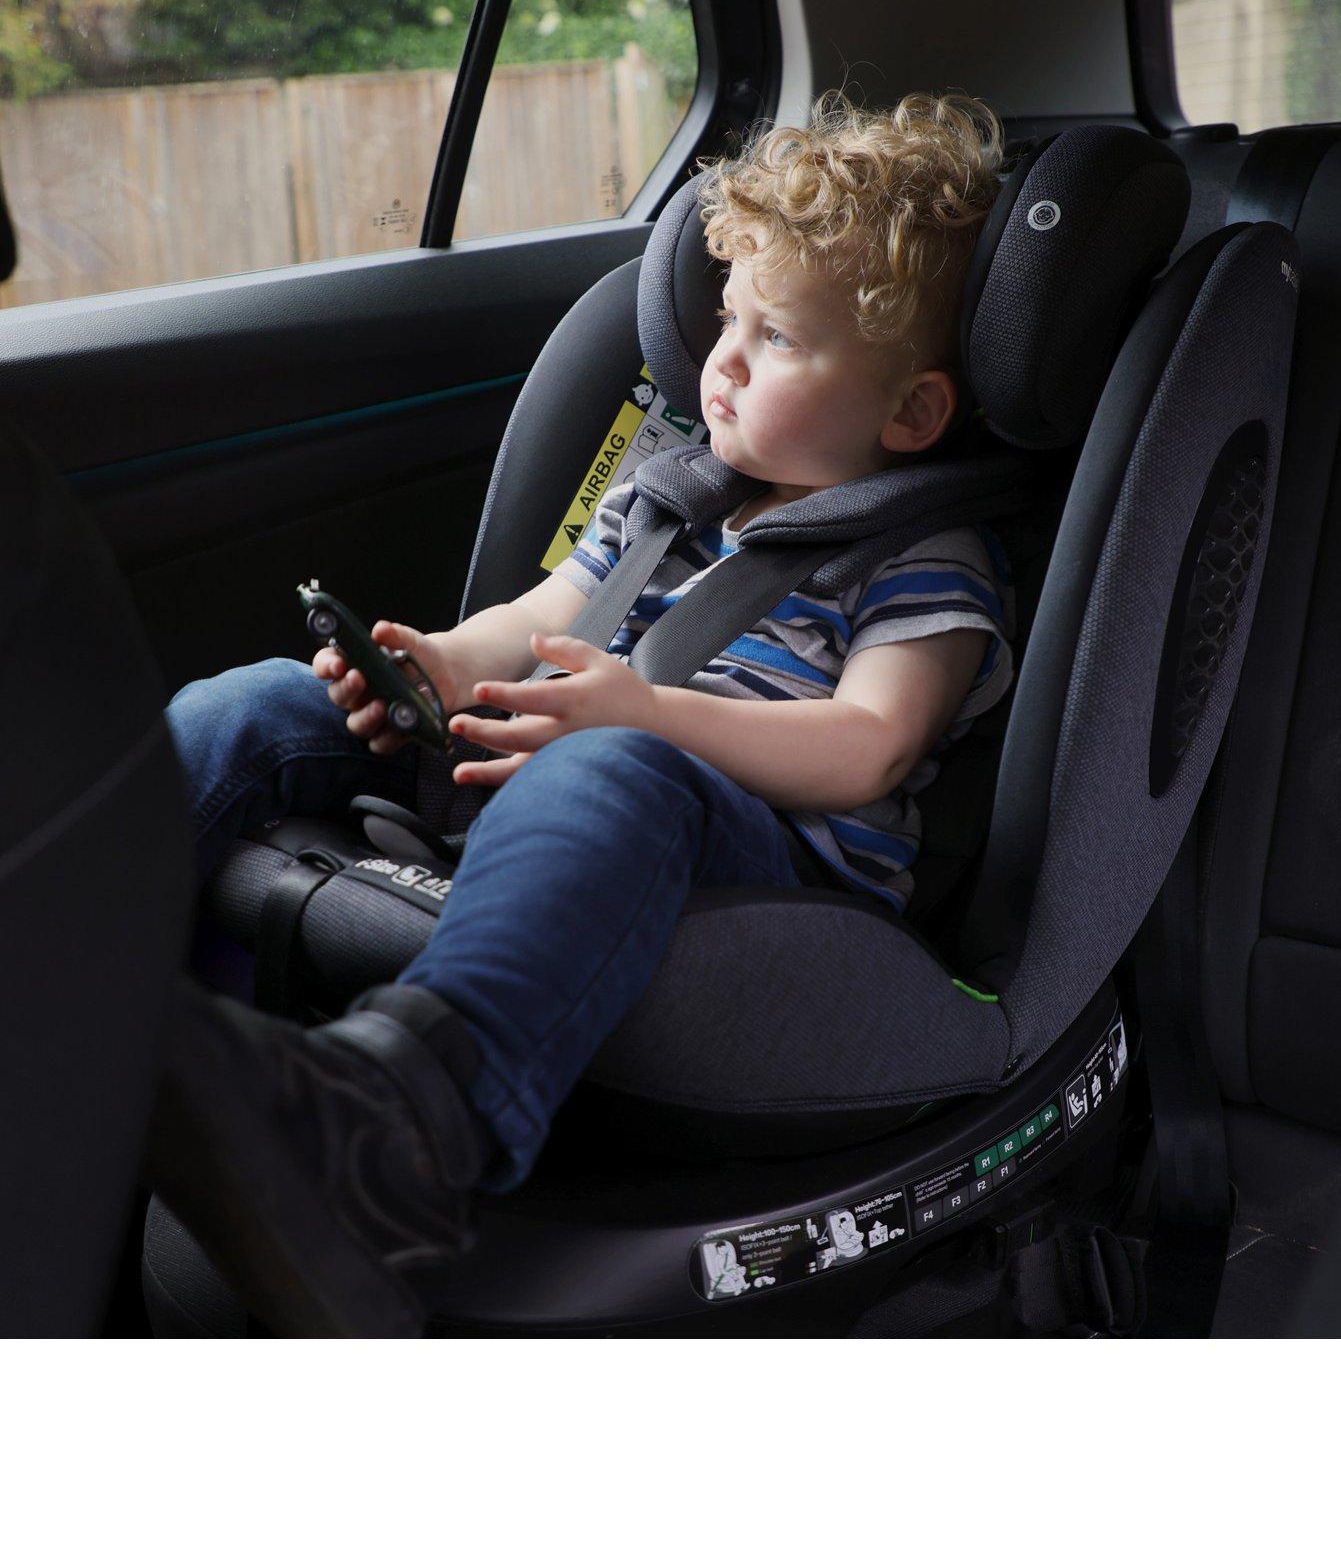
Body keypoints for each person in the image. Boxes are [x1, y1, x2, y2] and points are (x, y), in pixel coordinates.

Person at [147, 90, 1017, 1336]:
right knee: (261, 705)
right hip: (564, 762)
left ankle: (401, 1132)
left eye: (777, 337)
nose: (723, 360)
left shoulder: (926, 560)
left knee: (612, 771)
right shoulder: (670, 493)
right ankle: (70, 941)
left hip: (752, 854)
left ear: (910, 412)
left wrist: (646, 718)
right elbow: (539, 615)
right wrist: (439, 668)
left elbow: (869, 747)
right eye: (730, 316)